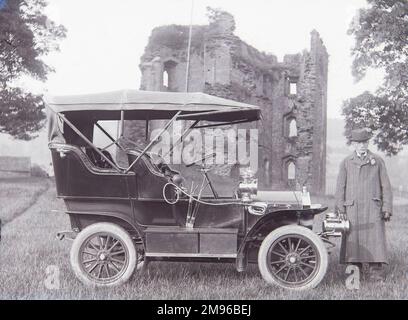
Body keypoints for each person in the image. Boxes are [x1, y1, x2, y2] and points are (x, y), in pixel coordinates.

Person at [335, 128, 393, 281]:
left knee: (375, 240)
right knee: (353, 242)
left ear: (368, 143)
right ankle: (355, 274)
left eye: (364, 142)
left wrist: (386, 207)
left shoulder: (378, 161)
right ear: (353, 144)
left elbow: (386, 186)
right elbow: (340, 187)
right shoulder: (346, 162)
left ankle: (376, 274)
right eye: (358, 143)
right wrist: (340, 208)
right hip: (352, 209)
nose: (362, 145)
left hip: (373, 208)